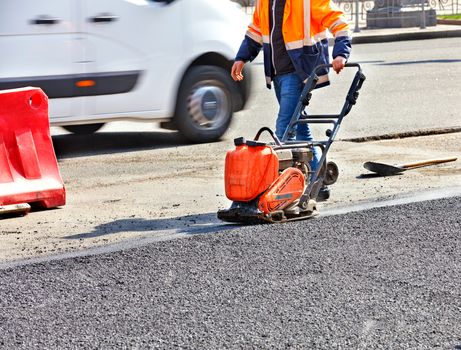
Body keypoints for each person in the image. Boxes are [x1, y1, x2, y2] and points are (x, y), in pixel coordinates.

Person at [231, 0, 351, 200]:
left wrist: (341, 53)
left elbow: (338, 21)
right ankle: (318, 182)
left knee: (284, 129)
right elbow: (255, 31)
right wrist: (241, 58)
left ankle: (278, 192)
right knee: (300, 127)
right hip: (277, 73)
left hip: (299, 72)